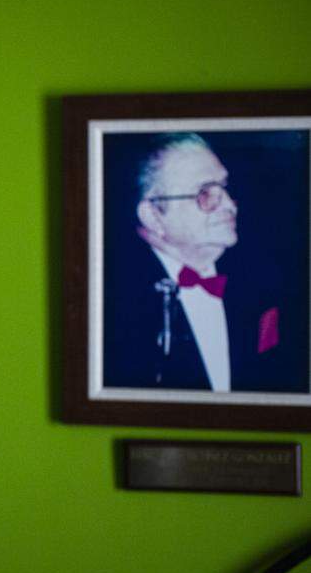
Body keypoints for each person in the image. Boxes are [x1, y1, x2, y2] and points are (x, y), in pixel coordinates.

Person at [103, 132, 306, 393]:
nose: (231, 206)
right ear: (153, 216)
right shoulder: (110, 299)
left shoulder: (265, 280)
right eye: (205, 193)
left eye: (226, 189)